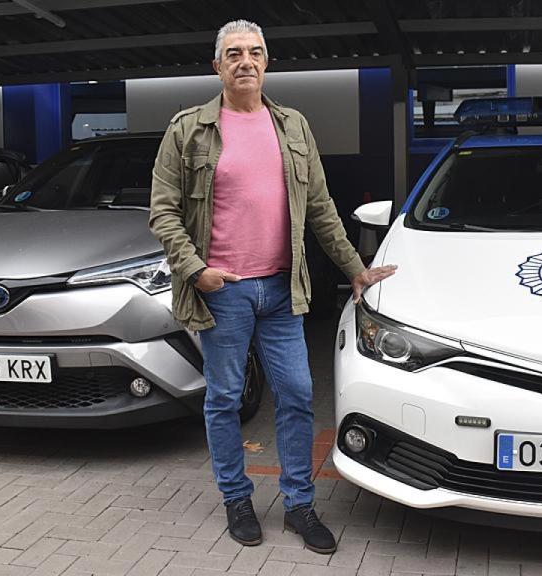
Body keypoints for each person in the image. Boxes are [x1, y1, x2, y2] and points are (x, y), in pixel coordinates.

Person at [149, 19, 396, 554]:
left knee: (299, 395)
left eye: (255, 53)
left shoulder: (292, 126)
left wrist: (355, 266)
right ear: (217, 66)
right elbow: (163, 212)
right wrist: (197, 271)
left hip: (285, 290)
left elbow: (321, 207)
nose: (245, 61)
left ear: (266, 63)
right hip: (223, 290)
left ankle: (299, 504)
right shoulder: (188, 129)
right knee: (224, 398)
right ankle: (237, 498)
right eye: (233, 53)